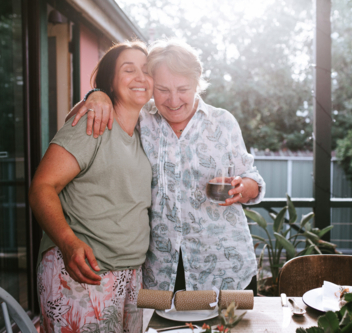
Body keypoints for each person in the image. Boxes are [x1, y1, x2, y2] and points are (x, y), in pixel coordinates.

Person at [69, 39, 266, 292]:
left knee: (228, 330)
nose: (173, 100)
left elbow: (252, 177)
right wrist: (96, 96)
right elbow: (78, 117)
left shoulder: (223, 122)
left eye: (183, 89)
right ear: (151, 85)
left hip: (226, 268)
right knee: (165, 330)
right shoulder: (141, 120)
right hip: (162, 272)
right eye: (162, 89)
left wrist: (244, 187)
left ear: (197, 83)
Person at [29, 41, 153, 332]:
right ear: (110, 79)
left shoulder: (146, 131)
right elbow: (41, 187)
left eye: (147, 71)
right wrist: (68, 243)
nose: (139, 77)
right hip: (83, 272)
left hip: (132, 274)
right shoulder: (91, 124)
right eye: (128, 69)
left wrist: (95, 94)